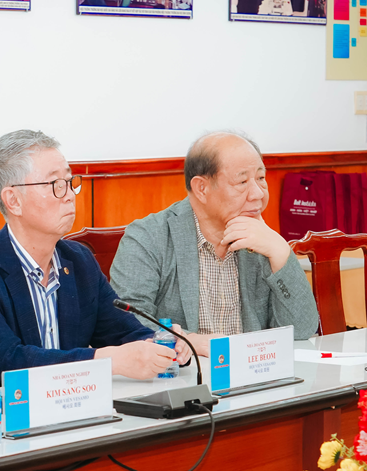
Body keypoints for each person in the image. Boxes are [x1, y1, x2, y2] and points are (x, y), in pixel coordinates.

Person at [0, 130, 189, 380]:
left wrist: (164, 343)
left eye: (69, 182)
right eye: (55, 185)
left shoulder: (79, 260)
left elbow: (123, 333)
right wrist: (107, 360)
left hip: (73, 402)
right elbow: (7, 361)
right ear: (13, 200)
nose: (69, 195)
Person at [110, 132, 319, 356]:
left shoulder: (262, 239)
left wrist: (281, 252)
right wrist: (190, 341)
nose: (258, 194)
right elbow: (126, 321)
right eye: (242, 182)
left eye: (260, 178)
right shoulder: (148, 237)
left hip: (254, 371)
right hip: (187, 373)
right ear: (202, 188)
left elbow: (302, 330)